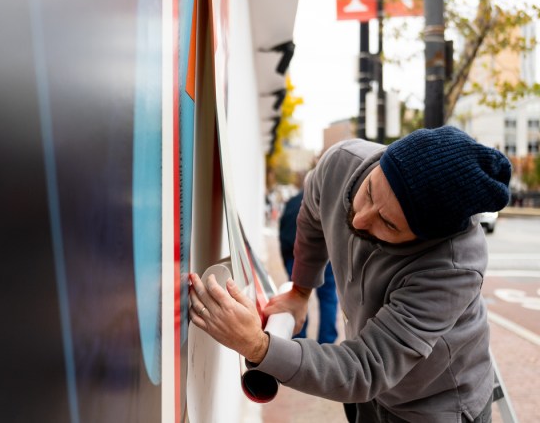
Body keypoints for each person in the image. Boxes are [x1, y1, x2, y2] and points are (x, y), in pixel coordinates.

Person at [188, 127, 511, 422]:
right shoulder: (342, 163)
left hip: (433, 406)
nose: (359, 220)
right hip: (369, 397)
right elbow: (313, 215)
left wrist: (259, 347)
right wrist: (300, 292)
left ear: (424, 238)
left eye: (388, 223)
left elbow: (367, 367)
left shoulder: (452, 268)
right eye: (370, 191)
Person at [279, 174, 338, 344]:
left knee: (297, 298)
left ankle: (299, 341)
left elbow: (282, 236)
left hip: (294, 258)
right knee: (328, 299)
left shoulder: (291, 203)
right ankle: (327, 343)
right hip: (326, 259)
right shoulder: (329, 204)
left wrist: (287, 262)